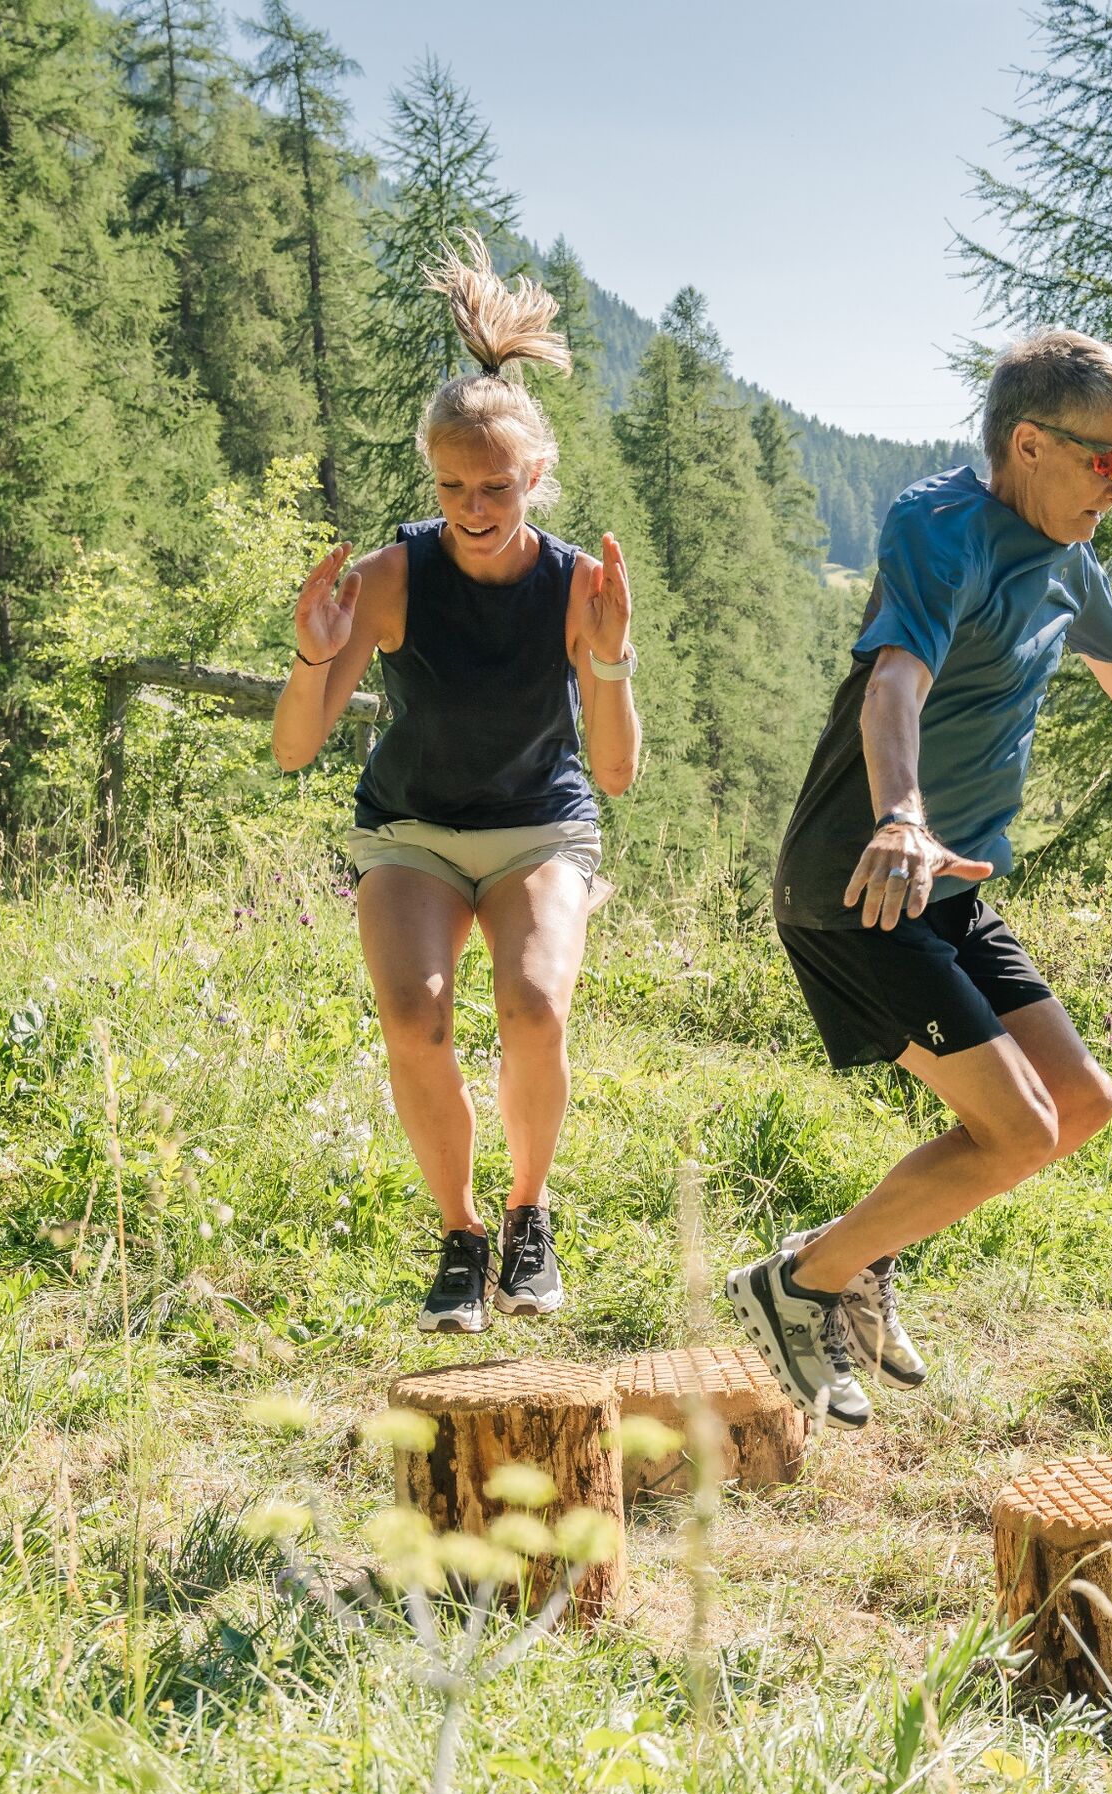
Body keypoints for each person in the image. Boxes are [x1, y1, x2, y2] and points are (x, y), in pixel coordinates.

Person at [727, 328, 1112, 1427]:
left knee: (1079, 1103)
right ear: (1028, 444)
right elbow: (895, 682)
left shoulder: (1064, 550)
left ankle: (851, 1258)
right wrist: (900, 815)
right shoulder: (942, 529)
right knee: (1016, 1129)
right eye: (1105, 460)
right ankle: (799, 1284)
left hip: (949, 889)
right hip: (862, 885)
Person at [271, 234, 639, 1335]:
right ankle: (462, 1235)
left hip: (540, 829)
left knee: (534, 1009)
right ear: (431, 480)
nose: (473, 507)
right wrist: (312, 652)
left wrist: (610, 657)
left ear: (535, 478)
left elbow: (615, 771)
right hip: (412, 830)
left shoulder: (576, 584)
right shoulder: (391, 577)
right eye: (452, 487)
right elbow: (296, 747)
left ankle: (529, 1215)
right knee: (413, 1020)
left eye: (496, 486)